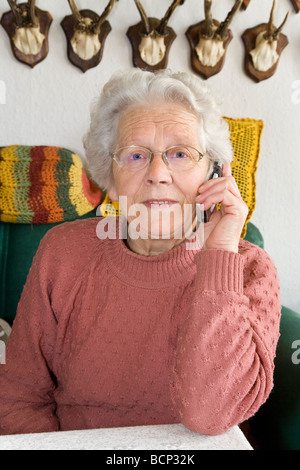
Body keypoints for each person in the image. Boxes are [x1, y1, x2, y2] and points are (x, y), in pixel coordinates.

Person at [0, 69, 281, 436]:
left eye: (180, 153)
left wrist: (218, 257)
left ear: (212, 175)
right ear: (111, 181)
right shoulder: (62, 252)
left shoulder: (249, 270)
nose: (158, 173)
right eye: (135, 155)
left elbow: (209, 416)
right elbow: (19, 397)